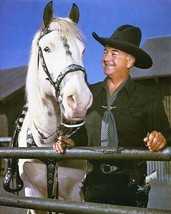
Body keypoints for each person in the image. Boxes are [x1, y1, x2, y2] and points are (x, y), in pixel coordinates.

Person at [53, 24, 171, 207]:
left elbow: (167, 133)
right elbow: (85, 131)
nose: (106, 58)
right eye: (105, 52)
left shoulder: (148, 98)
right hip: (94, 185)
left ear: (130, 61)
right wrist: (70, 140)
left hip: (130, 187)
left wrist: (161, 138)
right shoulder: (89, 93)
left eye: (114, 53)